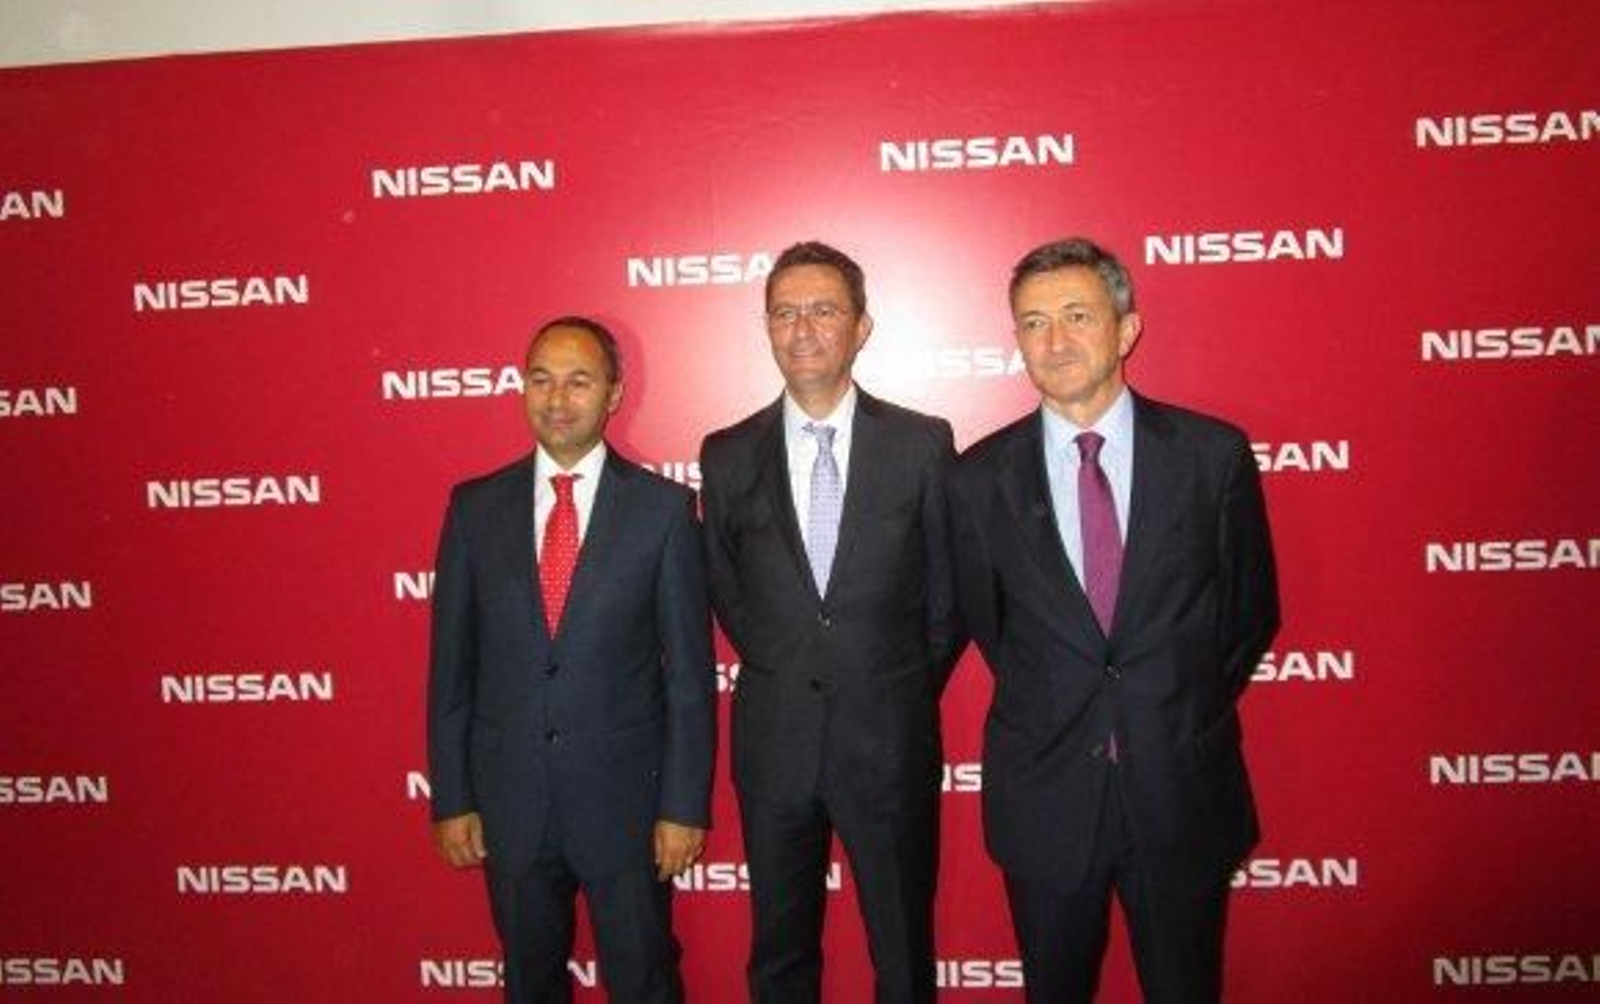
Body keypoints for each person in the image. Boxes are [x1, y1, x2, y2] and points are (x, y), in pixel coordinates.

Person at [949, 238, 1279, 1003]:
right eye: (1033, 323)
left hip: (1179, 786)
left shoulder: (1210, 456)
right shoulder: (978, 478)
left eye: (1076, 315)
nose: (1055, 341)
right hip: (1046, 798)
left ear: (1126, 329)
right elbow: (988, 625)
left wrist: (1167, 700)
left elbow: (1248, 615)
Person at [699, 241, 963, 1003]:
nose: (802, 328)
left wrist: (891, 682)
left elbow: (948, 602)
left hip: (888, 738)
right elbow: (729, 594)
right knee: (780, 954)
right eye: (784, 313)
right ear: (766, 328)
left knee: (903, 953)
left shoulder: (921, 445)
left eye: (823, 310)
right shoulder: (726, 455)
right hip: (775, 741)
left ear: (862, 326)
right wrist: (797, 665)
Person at [427, 316, 716, 1003]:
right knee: (529, 983)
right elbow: (450, 670)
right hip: (511, 802)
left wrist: (682, 805)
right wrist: (454, 795)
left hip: (627, 808)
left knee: (645, 979)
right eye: (541, 379)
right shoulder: (473, 509)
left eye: (579, 380)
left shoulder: (664, 511)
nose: (557, 399)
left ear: (614, 394)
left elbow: (689, 680)